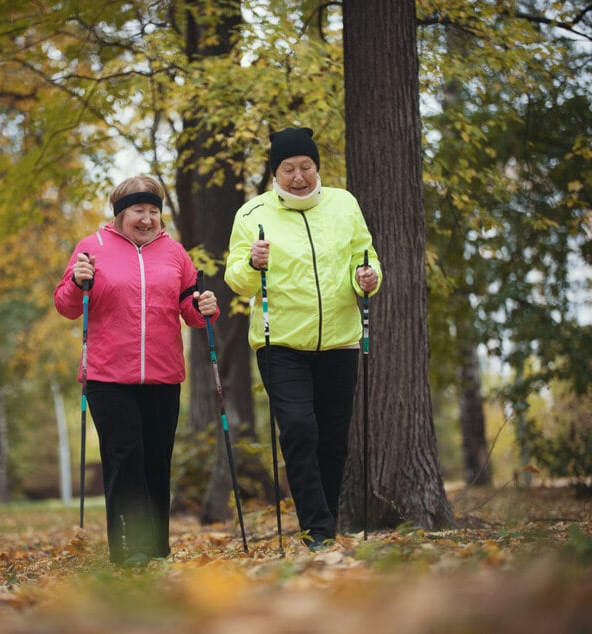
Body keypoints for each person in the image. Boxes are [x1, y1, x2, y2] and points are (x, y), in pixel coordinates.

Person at [224, 127, 382, 551]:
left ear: (317, 167)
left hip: (339, 340)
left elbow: (364, 258)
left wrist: (367, 277)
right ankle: (318, 529)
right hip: (281, 343)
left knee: (332, 439)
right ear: (275, 172)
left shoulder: (344, 204)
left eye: (306, 167)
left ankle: (324, 526)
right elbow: (235, 279)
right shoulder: (251, 213)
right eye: (288, 168)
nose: (298, 177)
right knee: (297, 429)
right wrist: (252, 265)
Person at [54, 175, 219, 568]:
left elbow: (191, 311)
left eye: (153, 211)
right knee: (124, 456)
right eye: (138, 211)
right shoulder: (91, 249)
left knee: (156, 460)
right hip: (108, 376)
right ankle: (129, 548)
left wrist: (206, 307)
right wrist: (79, 284)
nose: (146, 219)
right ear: (119, 215)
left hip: (163, 376)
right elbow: (66, 305)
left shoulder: (175, 254)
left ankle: (157, 548)